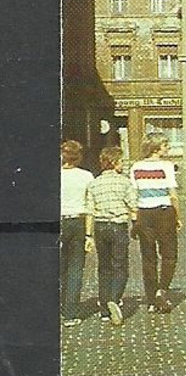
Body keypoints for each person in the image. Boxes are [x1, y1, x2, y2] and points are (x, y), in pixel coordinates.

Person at [85, 145, 137, 325]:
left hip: (100, 227)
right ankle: (114, 299)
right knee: (120, 266)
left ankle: (104, 310)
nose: (122, 164)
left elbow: (90, 211)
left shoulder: (94, 183)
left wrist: (88, 235)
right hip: (118, 226)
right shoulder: (124, 182)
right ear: (115, 163)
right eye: (121, 161)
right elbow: (133, 205)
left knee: (104, 267)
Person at [129, 136, 180, 314]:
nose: (168, 148)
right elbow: (173, 194)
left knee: (148, 257)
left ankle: (151, 299)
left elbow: (133, 195)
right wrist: (178, 216)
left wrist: (135, 218)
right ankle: (162, 290)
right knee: (169, 254)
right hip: (164, 212)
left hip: (144, 214)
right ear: (156, 148)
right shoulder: (167, 166)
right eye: (165, 145)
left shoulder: (136, 167)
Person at [60, 140, 96, 327]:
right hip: (78, 222)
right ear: (79, 156)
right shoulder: (86, 176)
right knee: (75, 268)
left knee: (59, 267)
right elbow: (90, 207)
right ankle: (71, 312)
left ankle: (59, 305)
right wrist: (89, 235)